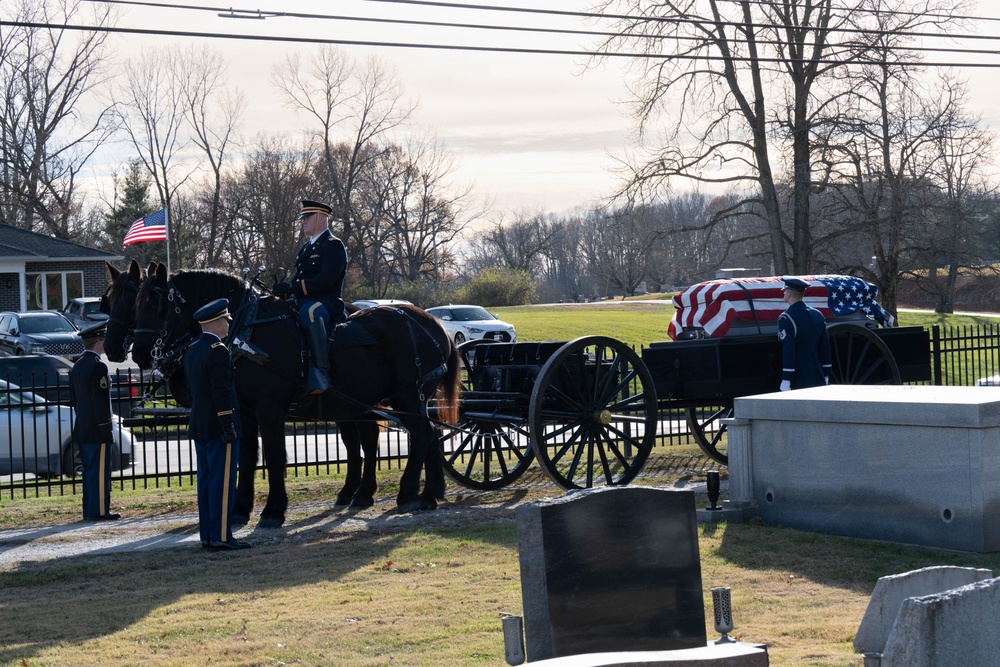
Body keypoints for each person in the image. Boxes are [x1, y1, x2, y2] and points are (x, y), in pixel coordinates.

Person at [183, 298, 250, 550]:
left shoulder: (192, 350)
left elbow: (192, 392)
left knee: (207, 482)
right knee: (222, 483)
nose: (227, 325)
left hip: (200, 425)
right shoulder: (218, 350)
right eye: (226, 321)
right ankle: (222, 536)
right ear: (217, 322)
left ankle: (208, 535)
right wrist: (227, 425)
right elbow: (221, 392)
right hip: (220, 426)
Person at [273, 199, 348, 394]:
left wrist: (293, 287)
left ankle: (321, 372)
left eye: (308, 217)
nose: (303, 221)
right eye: (303, 218)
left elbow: (325, 281)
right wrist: (285, 290)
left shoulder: (333, 245)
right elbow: (301, 278)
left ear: (322, 218)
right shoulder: (306, 248)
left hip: (327, 302)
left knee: (310, 313)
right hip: (303, 299)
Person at [69, 321, 121, 521]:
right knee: (99, 472)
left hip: (83, 426)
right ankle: (99, 511)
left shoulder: (78, 365)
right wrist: (106, 429)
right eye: (104, 340)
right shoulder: (98, 367)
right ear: (99, 342)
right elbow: (100, 403)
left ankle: (90, 509)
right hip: (97, 430)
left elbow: (74, 400)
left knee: (90, 471)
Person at [778, 276, 832, 391]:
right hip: (817, 372)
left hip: (799, 376)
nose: (783, 293)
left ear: (789, 294)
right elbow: (825, 346)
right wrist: (826, 373)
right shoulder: (817, 314)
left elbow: (789, 349)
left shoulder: (786, 318)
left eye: (784, 291)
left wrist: (786, 378)